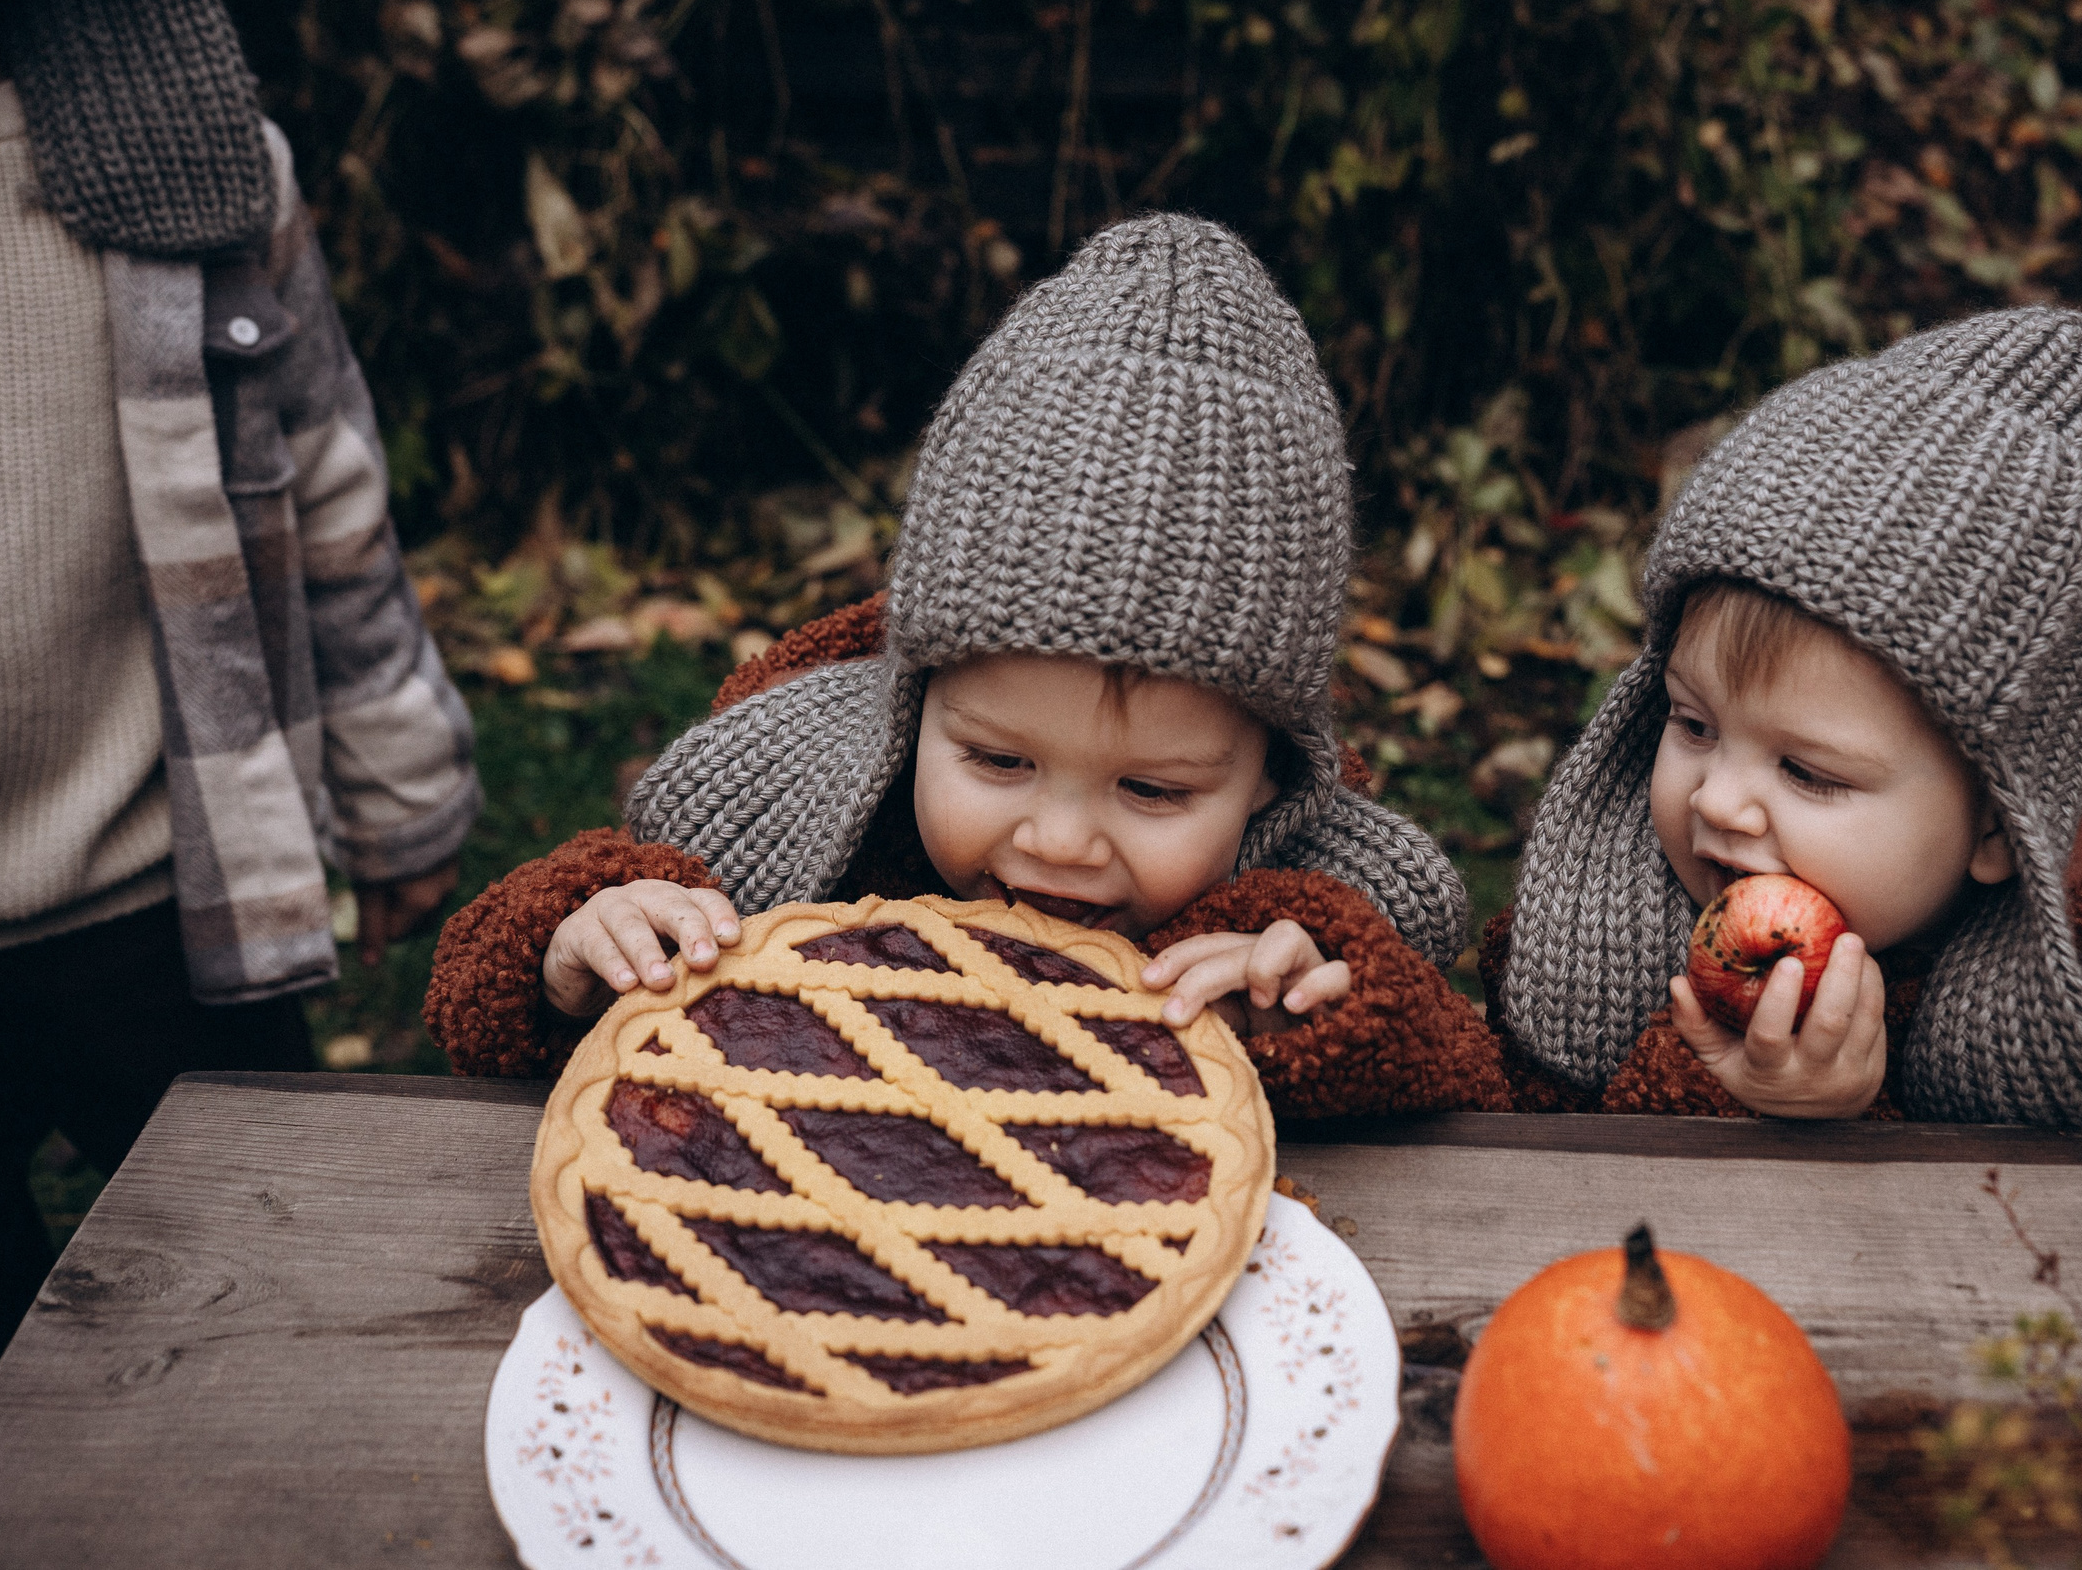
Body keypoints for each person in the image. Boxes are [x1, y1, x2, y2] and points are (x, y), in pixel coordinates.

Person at [425, 213, 1511, 1118]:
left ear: (1271, 775)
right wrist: (566, 959)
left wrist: (1314, 1033)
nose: (1058, 842)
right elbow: (482, 1019)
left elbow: (1464, 1083)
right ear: (916, 706)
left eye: (1152, 790)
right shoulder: (794, 833)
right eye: (996, 761)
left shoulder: (1306, 916)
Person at [0, 0, 478, 1382]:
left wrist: (399, 793)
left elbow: (329, 490)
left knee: (261, 1304)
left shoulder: (195, 173)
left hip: (159, 895)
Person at [1481, 304, 2082, 1129]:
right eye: (1693, 724)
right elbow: (1522, 1139)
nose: (1717, 802)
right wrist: (1749, 1097)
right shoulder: (1605, 928)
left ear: (1996, 825)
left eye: (1807, 772)